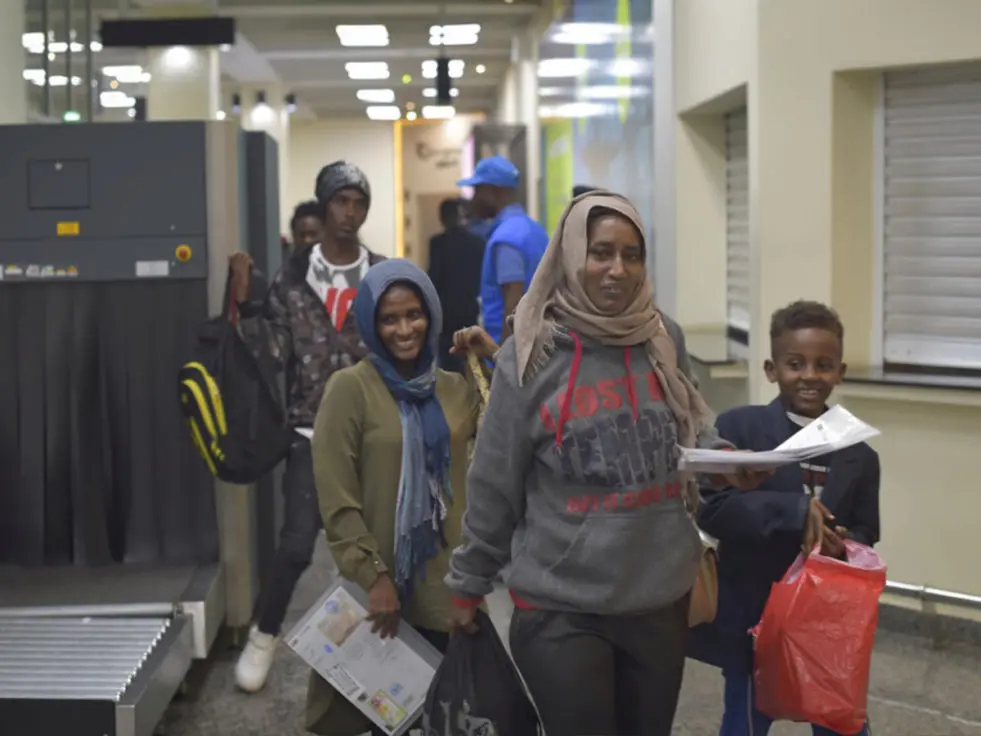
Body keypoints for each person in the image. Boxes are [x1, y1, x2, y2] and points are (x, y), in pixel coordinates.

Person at [445, 192, 770, 736]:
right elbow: (494, 482)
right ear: (572, 255)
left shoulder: (662, 336)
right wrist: (468, 582)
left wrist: (727, 462)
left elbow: (689, 428)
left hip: (658, 597)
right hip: (562, 605)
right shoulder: (531, 351)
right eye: (601, 253)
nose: (618, 269)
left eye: (632, 254)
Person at [305, 259, 497, 735]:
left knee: (448, 715)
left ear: (431, 314)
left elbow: (518, 413)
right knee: (377, 714)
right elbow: (336, 496)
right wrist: (375, 576)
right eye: (389, 318)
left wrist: (492, 353)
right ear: (371, 322)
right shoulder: (350, 389)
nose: (404, 329)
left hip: (448, 587)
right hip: (380, 587)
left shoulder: (455, 389)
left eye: (414, 314)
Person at [230, 162, 385, 693]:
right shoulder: (293, 278)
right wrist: (244, 303)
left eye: (358, 202)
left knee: (376, 550)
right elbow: (270, 355)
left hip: (373, 435)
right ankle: (263, 637)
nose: (350, 212)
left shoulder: (382, 274)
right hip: (309, 433)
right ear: (322, 206)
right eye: (340, 202)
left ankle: (382, 656)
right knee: (297, 544)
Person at [695, 301, 880, 736]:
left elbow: (867, 533)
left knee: (841, 724)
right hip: (753, 618)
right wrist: (794, 513)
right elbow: (714, 508)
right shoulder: (740, 429)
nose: (810, 375)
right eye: (795, 364)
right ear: (771, 368)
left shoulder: (859, 454)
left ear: (841, 371)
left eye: (823, 365)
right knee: (744, 723)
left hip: (826, 625)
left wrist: (844, 543)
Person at [457, 155, 549, 344]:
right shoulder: (535, 229)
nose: (473, 199)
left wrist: (504, 363)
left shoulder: (506, 238)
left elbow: (513, 309)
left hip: (512, 352)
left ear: (494, 191)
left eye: (477, 190)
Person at [428, 198, 486, 373]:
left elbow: (434, 278)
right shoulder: (477, 243)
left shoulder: (437, 243)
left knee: (447, 366)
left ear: (443, 218)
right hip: (469, 310)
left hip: (445, 315)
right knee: (471, 363)